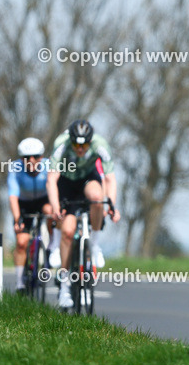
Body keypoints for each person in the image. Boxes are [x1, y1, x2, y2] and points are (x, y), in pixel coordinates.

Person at [46, 119, 120, 309]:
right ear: (70, 140)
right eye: (76, 144)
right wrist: (55, 207)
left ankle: (94, 245)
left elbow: (110, 179)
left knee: (97, 197)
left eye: (84, 144)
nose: (80, 149)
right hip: (66, 183)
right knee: (68, 231)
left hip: (88, 180)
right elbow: (52, 179)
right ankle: (64, 286)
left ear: (91, 140)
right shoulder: (61, 145)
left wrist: (111, 205)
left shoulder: (100, 145)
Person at [8, 137, 54, 294]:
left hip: (43, 201)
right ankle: (20, 281)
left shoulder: (49, 166)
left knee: (50, 212)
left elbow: (55, 189)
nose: (31, 160)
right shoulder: (15, 168)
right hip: (24, 204)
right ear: (21, 158)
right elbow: (13, 196)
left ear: (42, 157)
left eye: (36, 156)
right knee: (21, 242)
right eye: (27, 157)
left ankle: (51, 247)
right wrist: (17, 218)